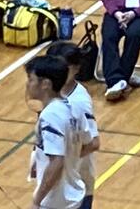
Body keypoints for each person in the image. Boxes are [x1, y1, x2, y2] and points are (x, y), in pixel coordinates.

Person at [25, 55, 91, 209]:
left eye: (31, 79)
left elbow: (57, 162)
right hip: (74, 195)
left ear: (45, 84)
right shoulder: (73, 107)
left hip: (56, 202)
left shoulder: (50, 116)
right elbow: (88, 143)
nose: (27, 84)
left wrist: (37, 200)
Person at [46, 43, 100, 209]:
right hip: (57, 184)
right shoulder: (50, 93)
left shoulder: (79, 102)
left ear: (76, 68)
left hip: (76, 185)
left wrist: (64, 162)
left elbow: (94, 143)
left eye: (63, 68)